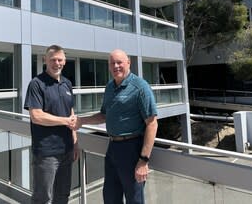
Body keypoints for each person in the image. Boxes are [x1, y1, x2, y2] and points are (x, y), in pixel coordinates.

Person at [72, 49, 158, 204]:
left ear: (128, 63)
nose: (116, 66)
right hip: (112, 148)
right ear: (109, 66)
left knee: (134, 199)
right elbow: (104, 115)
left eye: (119, 62)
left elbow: (152, 123)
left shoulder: (140, 87)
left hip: (132, 149)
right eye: (112, 63)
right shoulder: (110, 87)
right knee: (110, 197)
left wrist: (144, 160)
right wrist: (81, 121)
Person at [24, 45, 79, 204]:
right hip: (47, 152)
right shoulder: (36, 83)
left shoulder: (67, 84)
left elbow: (71, 113)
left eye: (60, 59)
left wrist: (75, 142)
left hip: (67, 150)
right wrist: (65, 121)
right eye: (53, 60)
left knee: (63, 195)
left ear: (65, 61)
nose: (57, 63)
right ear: (45, 60)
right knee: (43, 198)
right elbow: (36, 116)